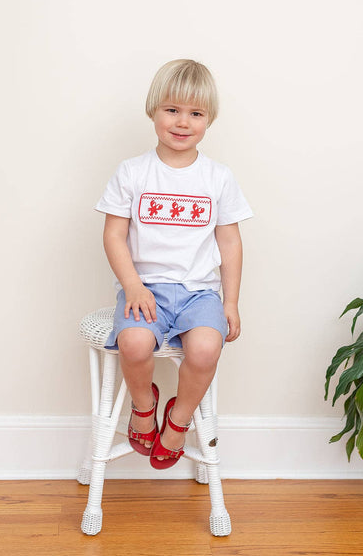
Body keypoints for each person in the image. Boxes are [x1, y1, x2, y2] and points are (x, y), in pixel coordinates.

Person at [95, 59, 253, 469]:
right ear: (153, 110)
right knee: (133, 343)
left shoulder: (218, 178)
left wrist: (230, 302)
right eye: (172, 110)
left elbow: (230, 243)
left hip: (200, 293)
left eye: (195, 114)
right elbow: (113, 236)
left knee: (204, 349)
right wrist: (132, 286)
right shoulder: (133, 172)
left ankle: (178, 420)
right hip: (146, 288)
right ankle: (144, 407)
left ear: (209, 119)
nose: (183, 123)